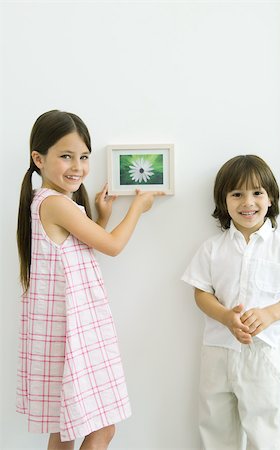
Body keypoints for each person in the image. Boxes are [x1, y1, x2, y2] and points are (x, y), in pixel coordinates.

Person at [16, 109, 164, 450]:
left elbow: (80, 248)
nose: (78, 167)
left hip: (72, 331)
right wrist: (137, 208)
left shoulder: (53, 204)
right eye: (66, 156)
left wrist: (102, 215)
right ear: (38, 159)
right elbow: (112, 247)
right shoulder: (55, 204)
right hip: (74, 335)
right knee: (101, 429)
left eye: (84, 157)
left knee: (66, 430)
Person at [181, 155, 280, 450]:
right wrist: (224, 316)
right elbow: (201, 293)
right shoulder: (212, 249)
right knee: (215, 428)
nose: (248, 202)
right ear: (224, 201)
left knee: (266, 431)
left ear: (271, 198)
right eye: (237, 194)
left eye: (257, 192)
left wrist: (271, 313)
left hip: (260, 352)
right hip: (217, 350)